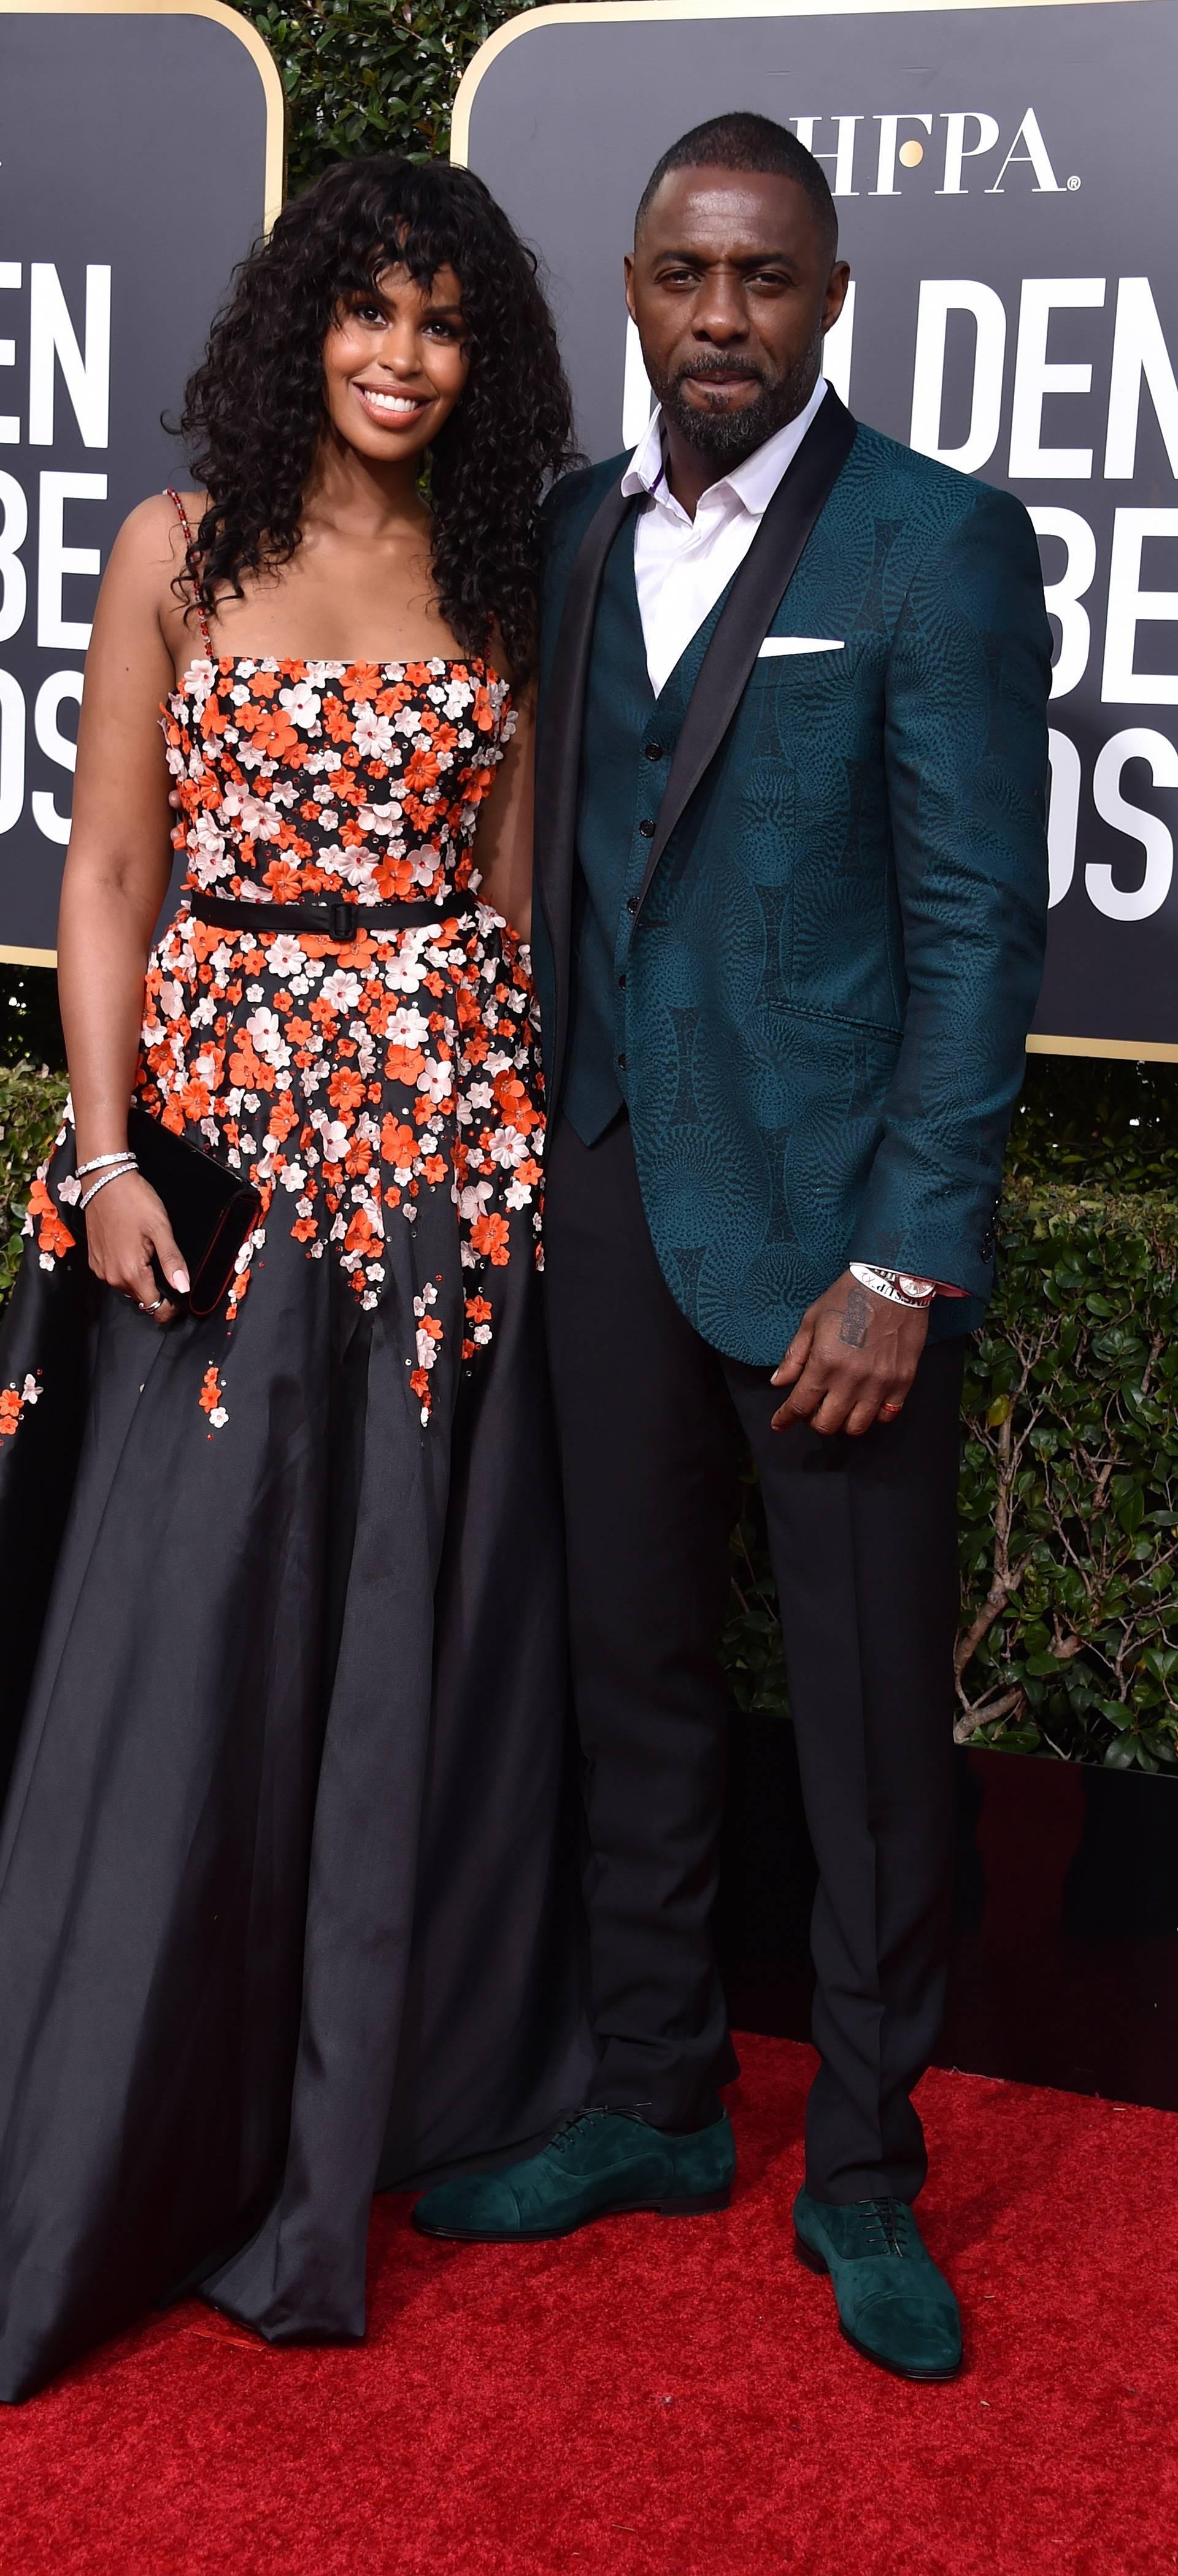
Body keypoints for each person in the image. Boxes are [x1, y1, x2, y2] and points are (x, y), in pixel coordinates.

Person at [413, 113, 1051, 2383]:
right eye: (684, 274)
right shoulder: (574, 532)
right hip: (601, 1212)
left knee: (874, 1736)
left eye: (764, 281)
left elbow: (982, 931)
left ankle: (862, 2171)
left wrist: (904, 1263)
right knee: (632, 1686)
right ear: (633, 282)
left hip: (827, 1258)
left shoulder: (939, 546)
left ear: (834, 295)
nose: (718, 318)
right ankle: (658, 2098)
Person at [0, 154, 590, 2404]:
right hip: (220, 1145)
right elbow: (109, 874)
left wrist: (533, 1178)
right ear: (297, 328)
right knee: (188, 1633)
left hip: (450, 1150)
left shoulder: (514, 576)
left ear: (483, 356)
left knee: (400, 1617)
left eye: (444, 324)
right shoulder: (177, 547)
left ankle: (386, 2094)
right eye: (366, 316)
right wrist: (107, 1146)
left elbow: (523, 910)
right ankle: (141, 2110)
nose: (402, 359)